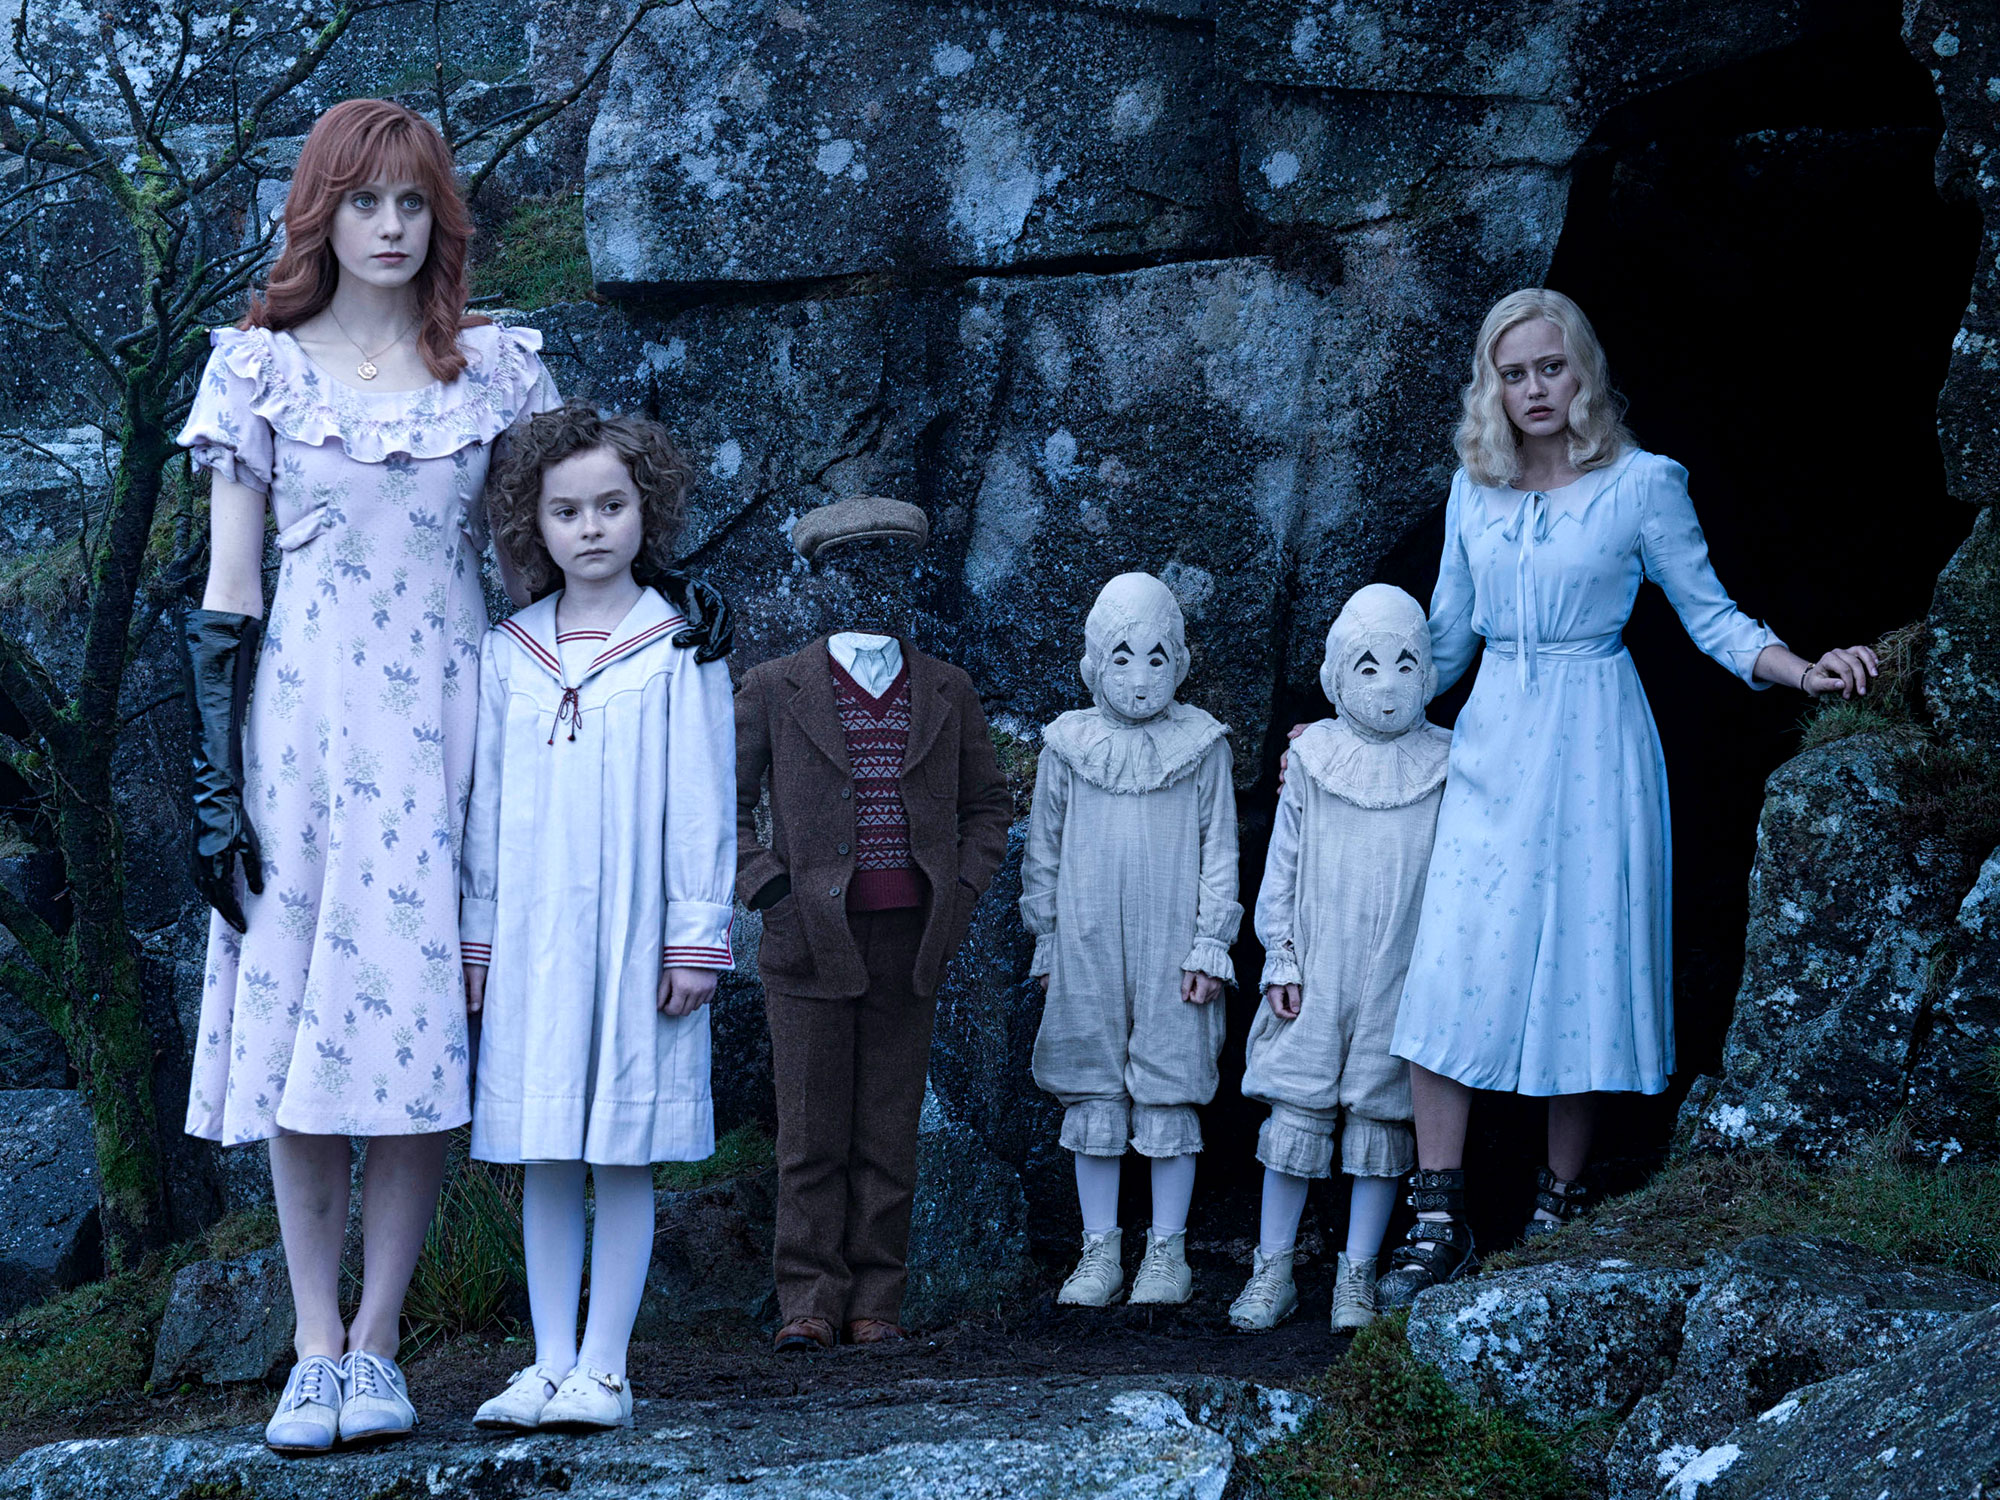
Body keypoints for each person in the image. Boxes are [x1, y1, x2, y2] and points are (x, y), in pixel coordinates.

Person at [179, 98, 563, 1453]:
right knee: (305, 1033)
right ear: (320, 213)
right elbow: (230, 590)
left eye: (412, 203)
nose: (390, 227)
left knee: (414, 1027)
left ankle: (383, 1343)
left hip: (449, 734)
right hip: (303, 738)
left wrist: (657, 607)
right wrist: (213, 785)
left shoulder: (497, 370)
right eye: (364, 202)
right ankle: (312, 1347)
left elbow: (549, 557)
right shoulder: (256, 372)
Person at [1375, 287, 1879, 1305]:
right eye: (1512, 374)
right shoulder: (1473, 490)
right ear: (1490, 387)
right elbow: (1442, 645)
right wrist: (1350, 721)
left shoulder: (1643, 484)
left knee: (1584, 960)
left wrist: (1803, 668)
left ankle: (1559, 1204)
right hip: (1492, 741)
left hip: (1596, 744)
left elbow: (1711, 617)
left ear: (1584, 371)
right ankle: (1436, 1217)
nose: (1533, 389)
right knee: (1449, 963)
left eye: (1549, 367)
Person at [459, 404, 736, 1432]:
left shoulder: (677, 647)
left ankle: (606, 1370)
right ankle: (547, 1362)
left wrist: (695, 937)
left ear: (645, 510)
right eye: (567, 510)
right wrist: (478, 940)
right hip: (534, 943)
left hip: (633, 942)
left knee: (621, 1144)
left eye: (611, 506)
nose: (590, 528)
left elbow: (704, 802)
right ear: (534, 524)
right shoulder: (508, 653)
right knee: (545, 1146)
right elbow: (484, 810)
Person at [733, 497, 1012, 1351]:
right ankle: (808, 1299)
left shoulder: (946, 688)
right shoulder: (774, 686)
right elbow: (717, 807)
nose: (870, 584)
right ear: (820, 581)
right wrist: (772, 894)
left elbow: (988, 806)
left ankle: (875, 1299)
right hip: (807, 942)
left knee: (889, 1128)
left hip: (911, 939)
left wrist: (958, 896)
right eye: (850, 568)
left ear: (910, 575)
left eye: (888, 566)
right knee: (810, 1130)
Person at [1230, 584, 1448, 1335]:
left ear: (1429, 673)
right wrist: (1281, 956)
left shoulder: (1448, 761)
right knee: (1298, 1105)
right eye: (1367, 666)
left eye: (1405, 664)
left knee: (1382, 1116)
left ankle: (1358, 1272)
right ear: (1335, 675)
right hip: (1319, 965)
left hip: (1401, 972)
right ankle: (1273, 1268)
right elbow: (1283, 862)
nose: (1387, 685)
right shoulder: (1314, 757)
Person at [1022, 572, 1241, 1310]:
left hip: (1173, 948)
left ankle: (1167, 1253)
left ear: (1179, 661)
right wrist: (1047, 940)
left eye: (1156, 656)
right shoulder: (1067, 745)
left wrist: (1211, 943)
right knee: (1092, 1085)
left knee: (1170, 1082)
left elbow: (1220, 851)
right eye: (1122, 657)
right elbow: (1044, 850)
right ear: (1094, 662)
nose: (1140, 676)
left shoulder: (1202, 745)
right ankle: (1099, 1251)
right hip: (1086, 944)